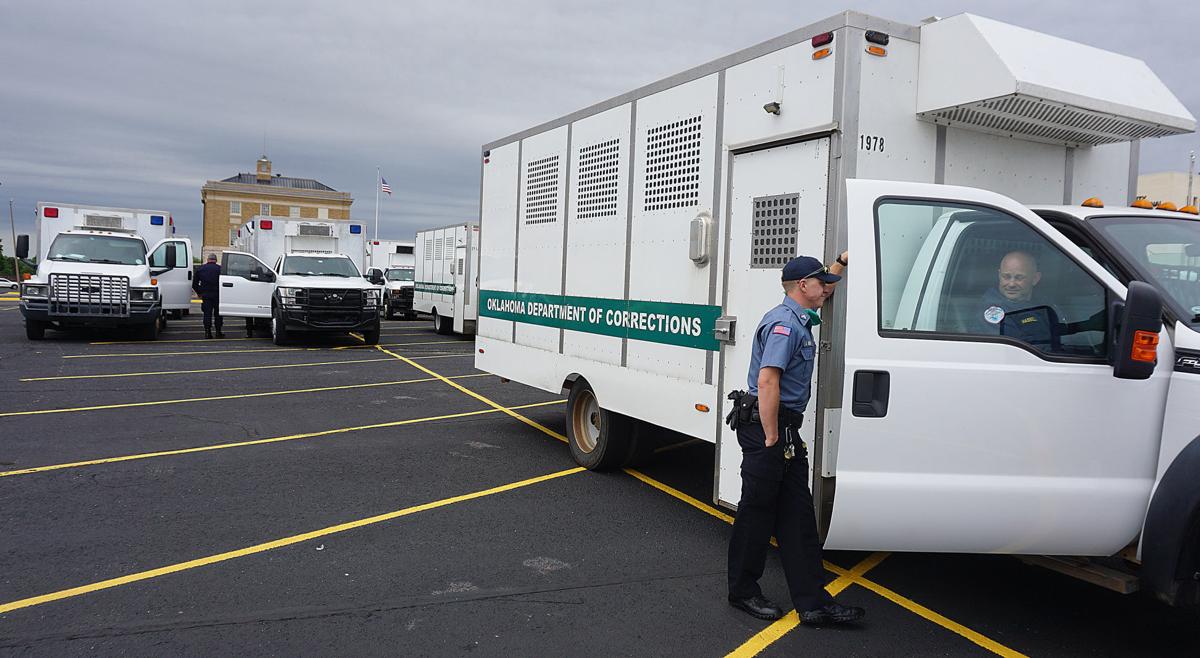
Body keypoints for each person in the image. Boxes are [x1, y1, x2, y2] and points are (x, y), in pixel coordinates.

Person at [726, 252, 865, 626]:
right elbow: (768, 379)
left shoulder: (801, 315)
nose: (827, 290)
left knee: (798, 517)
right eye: (821, 284)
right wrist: (771, 434)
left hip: (783, 429)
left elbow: (828, 289)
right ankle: (742, 591)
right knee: (757, 512)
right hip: (767, 430)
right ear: (803, 286)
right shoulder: (785, 325)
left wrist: (840, 263)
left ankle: (813, 603)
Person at [975, 251, 1059, 350]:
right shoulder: (992, 310)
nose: (1011, 284)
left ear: (1035, 278)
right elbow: (1014, 351)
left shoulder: (1044, 301)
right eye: (1006, 277)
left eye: (1019, 278)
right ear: (999, 275)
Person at [193, 253, 224, 339]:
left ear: (207, 259)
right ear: (216, 260)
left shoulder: (201, 269)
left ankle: (208, 332)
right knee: (218, 314)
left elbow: (194, 284)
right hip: (218, 295)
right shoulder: (220, 269)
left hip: (206, 295)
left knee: (207, 314)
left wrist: (199, 293)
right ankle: (218, 332)